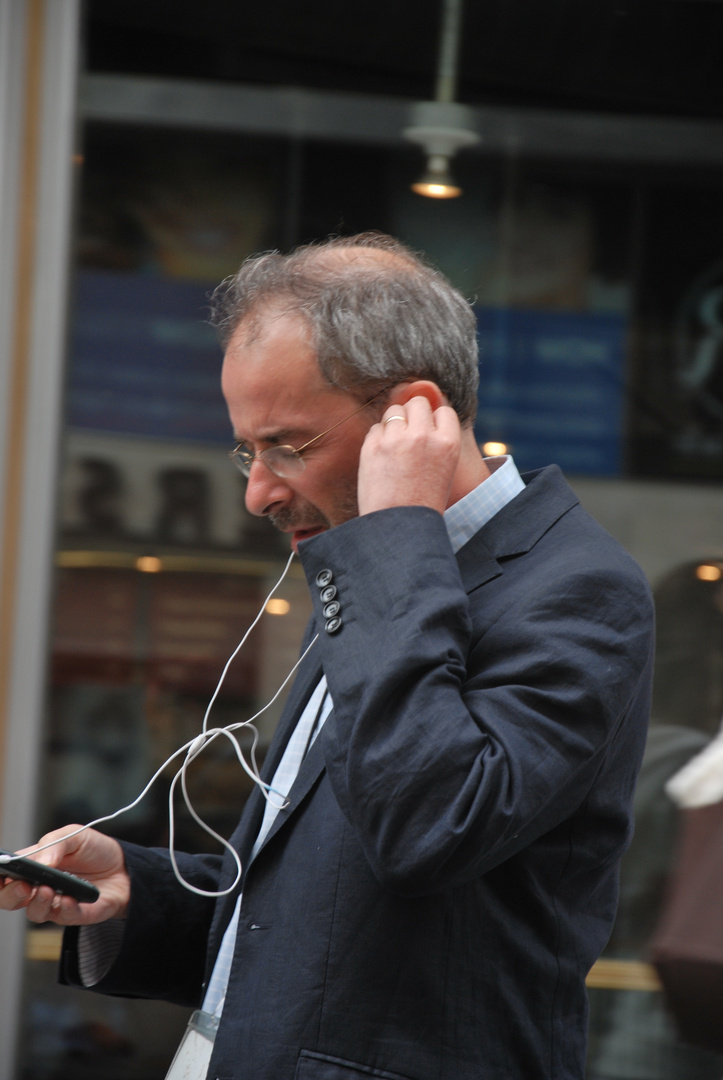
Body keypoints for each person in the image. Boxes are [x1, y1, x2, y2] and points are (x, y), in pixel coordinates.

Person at [1, 233, 655, 1080]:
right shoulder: (378, 567)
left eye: (288, 446)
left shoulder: (572, 584)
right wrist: (140, 888)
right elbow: (319, 905)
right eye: (247, 450)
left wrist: (392, 543)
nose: (257, 491)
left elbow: (427, 826)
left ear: (409, 416)